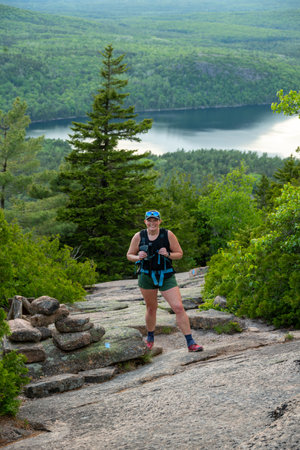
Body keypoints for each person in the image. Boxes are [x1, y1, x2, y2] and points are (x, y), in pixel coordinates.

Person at [127, 210, 203, 352]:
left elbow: (179, 254)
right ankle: (150, 339)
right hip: (146, 275)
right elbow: (129, 255)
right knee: (151, 308)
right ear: (145, 222)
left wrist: (168, 254)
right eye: (149, 220)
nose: (152, 223)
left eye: (155, 220)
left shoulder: (167, 235)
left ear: (159, 222)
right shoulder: (139, 236)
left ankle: (190, 342)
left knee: (178, 307)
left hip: (166, 275)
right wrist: (138, 257)